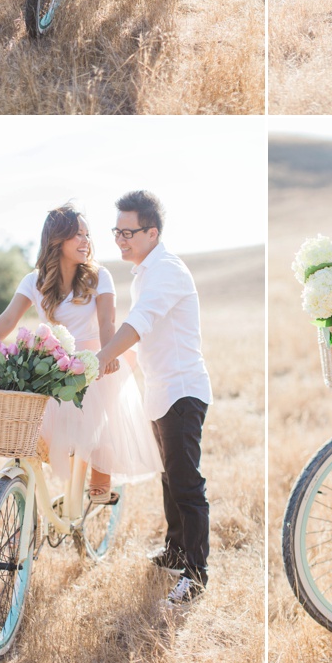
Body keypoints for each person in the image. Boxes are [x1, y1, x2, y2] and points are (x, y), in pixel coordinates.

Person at [0, 205, 161, 500]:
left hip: (95, 363)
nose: (86, 241)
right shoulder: (34, 281)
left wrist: (108, 356)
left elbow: (107, 322)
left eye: (87, 235)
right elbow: (8, 319)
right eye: (78, 235)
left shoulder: (99, 276)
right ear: (56, 240)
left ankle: (99, 486)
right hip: (55, 367)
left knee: (97, 428)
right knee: (41, 438)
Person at [95, 190, 212, 608]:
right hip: (161, 390)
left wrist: (102, 356)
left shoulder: (167, 270)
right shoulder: (145, 271)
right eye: (116, 231)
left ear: (152, 232)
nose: (120, 240)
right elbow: (146, 337)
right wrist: (113, 362)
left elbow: (140, 322)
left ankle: (196, 575)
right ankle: (176, 551)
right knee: (169, 478)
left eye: (128, 232)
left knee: (186, 484)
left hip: (183, 390)